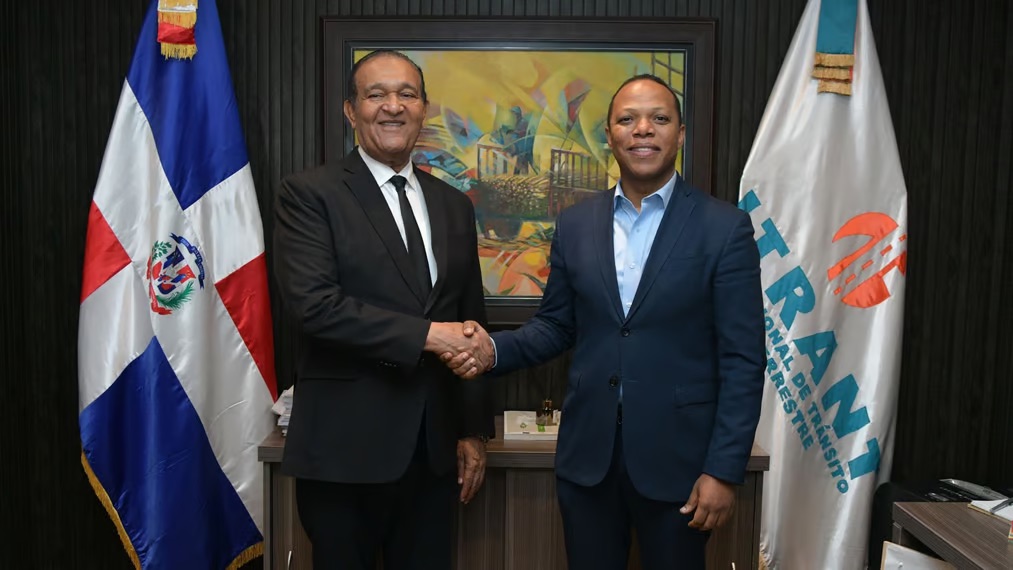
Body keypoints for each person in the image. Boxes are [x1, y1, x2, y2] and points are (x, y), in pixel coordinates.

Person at [444, 74, 765, 569]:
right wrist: (490, 351)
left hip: (681, 466)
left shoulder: (724, 228)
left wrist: (723, 471)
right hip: (588, 463)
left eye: (659, 118)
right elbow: (556, 326)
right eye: (627, 119)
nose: (643, 129)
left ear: (680, 135)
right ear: (610, 135)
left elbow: (744, 359)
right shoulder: (576, 224)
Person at [273, 50, 495, 570]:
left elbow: (470, 317)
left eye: (407, 95)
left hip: (432, 454)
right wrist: (430, 336)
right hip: (342, 451)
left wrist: (472, 429)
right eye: (376, 95)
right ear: (351, 111)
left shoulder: (453, 205)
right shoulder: (309, 194)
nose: (393, 106)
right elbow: (316, 307)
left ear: (424, 109)